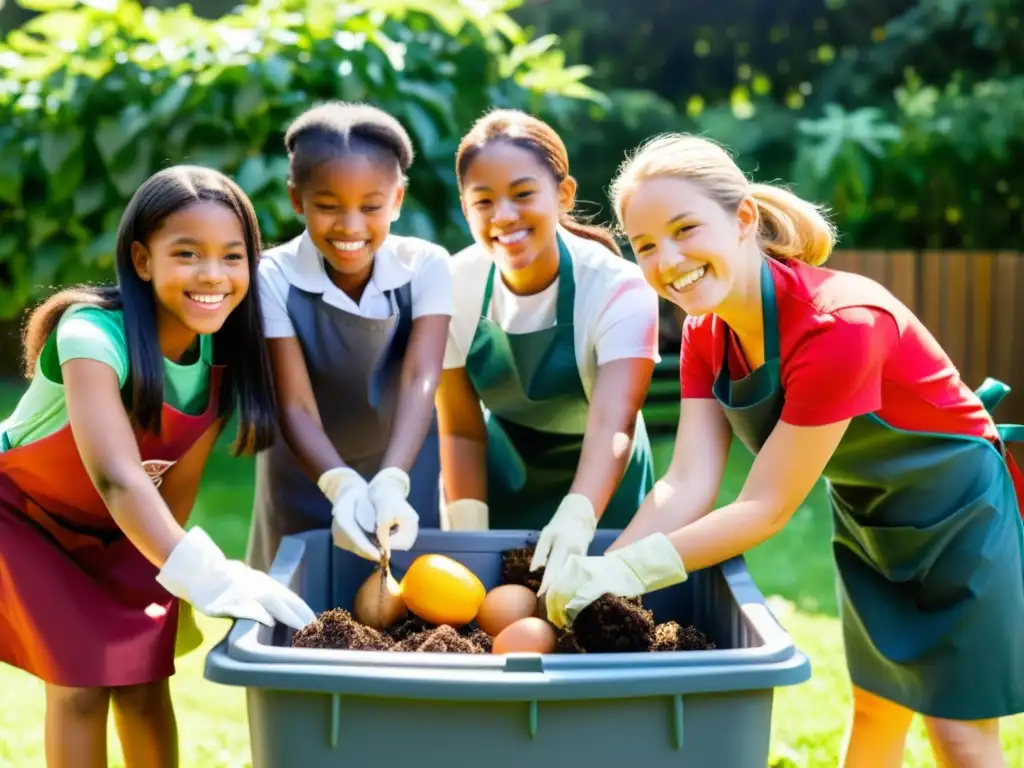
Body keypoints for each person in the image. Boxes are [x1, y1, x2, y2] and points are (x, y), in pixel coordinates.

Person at [542, 133, 1024, 768]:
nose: (668, 260)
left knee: (958, 736)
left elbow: (765, 507)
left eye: (686, 229)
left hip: (963, 518)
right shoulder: (703, 332)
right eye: (647, 246)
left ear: (743, 219)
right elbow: (687, 481)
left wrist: (627, 574)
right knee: (878, 704)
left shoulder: (838, 326)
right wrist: (605, 572)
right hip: (871, 520)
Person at [0, 166, 315, 768]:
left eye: (232, 256)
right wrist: (206, 572)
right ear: (142, 260)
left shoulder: (221, 356)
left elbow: (173, 485)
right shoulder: (89, 333)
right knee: (80, 686)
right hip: (24, 519)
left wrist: (164, 575)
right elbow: (119, 476)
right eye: (188, 254)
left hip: (123, 529)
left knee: (145, 680)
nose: (213, 276)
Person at [436, 109, 661, 590]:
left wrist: (580, 514)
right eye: (483, 201)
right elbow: (460, 432)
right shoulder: (453, 287)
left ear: (564, 194)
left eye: (522, 194)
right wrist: (467, 537)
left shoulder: (619, 288)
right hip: (505, 470)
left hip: (605, 476)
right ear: (464, 207)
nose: (503, 217)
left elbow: (613, 423)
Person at [246, 102, 454, 572]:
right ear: (296, 199)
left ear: (397, 200)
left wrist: (393, 478)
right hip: (305, 472)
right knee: (301, 605)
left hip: (404, 462)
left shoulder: (426, 265)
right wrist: (339, 483)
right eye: (327, 206)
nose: (351, 226)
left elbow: (422, 376)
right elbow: (293, 403)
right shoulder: (272, 278)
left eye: (371, 206)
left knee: (408, 603)